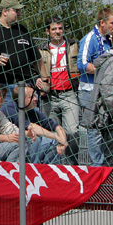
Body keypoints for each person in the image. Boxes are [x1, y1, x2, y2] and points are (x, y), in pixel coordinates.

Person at [81, 26, 113, 167]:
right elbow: (109, 95)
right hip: (109, 117)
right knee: (112, 159)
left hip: (103, 115)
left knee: (107, 158)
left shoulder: (107, 59)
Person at [77, 7, 113, 166]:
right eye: (112, 23)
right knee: (94, 129)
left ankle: (105, 164)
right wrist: (103, 73)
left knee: (105, 128)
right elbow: (82, 64)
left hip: (104, 90)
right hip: (89, 90)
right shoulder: (90, 38)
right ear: (102, 23)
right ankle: (96, 166)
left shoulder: (109, 39)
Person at [38, 16, 80, 156]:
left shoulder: (74, 46)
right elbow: (35, 70)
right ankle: (52, 162)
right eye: (54, 29)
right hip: (50, 96)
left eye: (60, 28)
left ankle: (72, 162)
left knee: (72, 131)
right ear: (47, 31)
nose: (57, 31)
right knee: (50, 133)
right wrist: (39, 81)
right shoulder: (42, 50)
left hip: (69, 93)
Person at [1, 85, 68, 165]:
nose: (35, 99)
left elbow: (56, 126)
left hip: (26, 145)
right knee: (36, 139)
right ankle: (31, 169)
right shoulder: (10, 108)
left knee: (53, 140)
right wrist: (57, 137)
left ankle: (49, 170)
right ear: (21, 99)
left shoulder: (31, 111)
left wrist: (62, 142)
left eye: (35, 96)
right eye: (31, 97)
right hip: (7, 145)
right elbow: (32, 127)